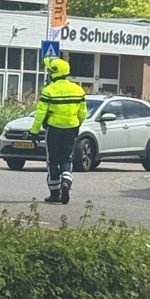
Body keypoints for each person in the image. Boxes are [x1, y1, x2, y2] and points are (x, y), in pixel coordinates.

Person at [28, 57, 87, 204]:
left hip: (54, 129)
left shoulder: (49, 90)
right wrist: (76, 124)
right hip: (71, 128)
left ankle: (55, 193)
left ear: (54, 73)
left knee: (53, 161)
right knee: (67, 158)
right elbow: (83, 113)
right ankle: (66, 181)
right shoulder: (78, 90)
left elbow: (40, 113)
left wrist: (34, 131)